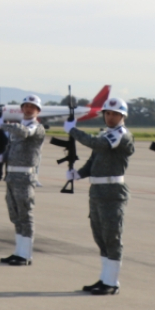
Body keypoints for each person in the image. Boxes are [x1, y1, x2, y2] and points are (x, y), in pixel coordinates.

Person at [65, 97, 134, 295]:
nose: (110, 117)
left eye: (115, 114)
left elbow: (97, 144)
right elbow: (94, 159)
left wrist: (73, 130)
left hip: (112, 192)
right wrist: (79, 173)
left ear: (123, 116)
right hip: (96, 191)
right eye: (108, 113)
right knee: (100, 236)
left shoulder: (121, 135)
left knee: (112, 236)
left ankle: (112, 282)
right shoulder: (107, 134)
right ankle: (104, 278)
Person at [0, 94, 46, 265]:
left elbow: (24, 133)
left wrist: (3, 125)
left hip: (25, 176)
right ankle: (18, 251)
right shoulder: (19, 127)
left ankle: (26, 254)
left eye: (32, 106)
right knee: (15, 215)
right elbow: (11, 147)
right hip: (12, 175)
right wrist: (1, 157)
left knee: (25, 214)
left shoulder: (35, 127)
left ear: (38, 110)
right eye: (26, 106)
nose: (28, 109)